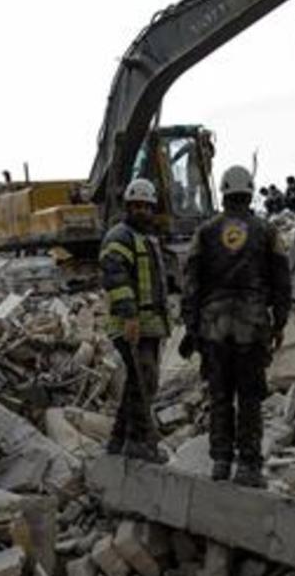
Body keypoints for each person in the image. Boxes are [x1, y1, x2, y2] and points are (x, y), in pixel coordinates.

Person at [181, 166, 291, 487]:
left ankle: (220, 462)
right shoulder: (267, 231)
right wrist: (280, 320)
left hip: (214, 327)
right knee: (250, 397)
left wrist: (192, 327)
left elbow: (191, 284)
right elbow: (282, 280)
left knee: (219, 396)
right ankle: (248, 466)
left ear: (224, 192)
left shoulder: (204, 232)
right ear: (249, 191)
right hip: (253, 325)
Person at [99, 178, 169, 462]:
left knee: (137, 383)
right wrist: (129, 316)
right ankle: (139, 442)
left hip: (149, 323)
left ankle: (118, 440)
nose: (142, 211)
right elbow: (116, 277)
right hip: (130, 323)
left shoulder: (146, 237)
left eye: (146, 206)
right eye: (136, 206)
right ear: (128, 206)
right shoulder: (119, 237)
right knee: (144, 380)